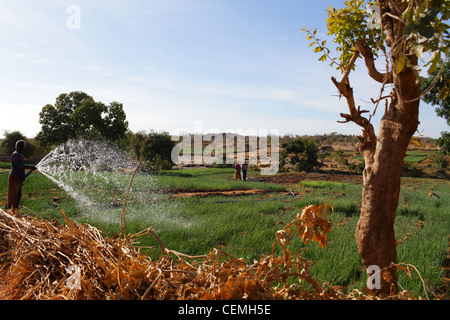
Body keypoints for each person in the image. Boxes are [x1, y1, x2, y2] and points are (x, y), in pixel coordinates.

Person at [6, 140, 36, 209]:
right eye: (20, 146)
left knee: (18, 196)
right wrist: (29, 167)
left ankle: (15, 211)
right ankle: (10, 211)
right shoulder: (15, 154)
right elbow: (17, 166)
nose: (22, 147)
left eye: (23, 146)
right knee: (13, 197)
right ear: (17, 146)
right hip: (14, 178)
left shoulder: (20, 155)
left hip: (18, 178)